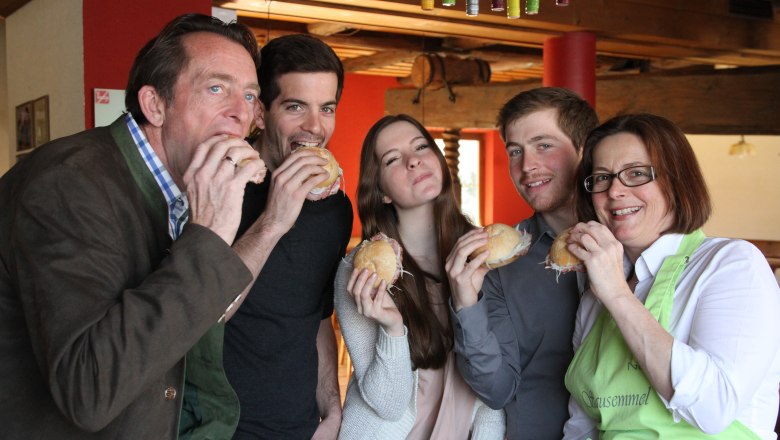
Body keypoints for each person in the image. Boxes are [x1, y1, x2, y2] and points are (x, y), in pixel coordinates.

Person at [0, 13, 272, 439]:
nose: (242, 113)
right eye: (216, 88)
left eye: (251, 95)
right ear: (154, 106)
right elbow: (88, 392)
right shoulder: (68, 185)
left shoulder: (187, 192)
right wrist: (210, 236)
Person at [561, 113, 780, 439]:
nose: (615, 191)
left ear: (678, 180)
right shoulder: (596, 294)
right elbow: (582, 422)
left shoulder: (731, 264)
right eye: (602, 178)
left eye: (636, 173)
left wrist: (618, 295)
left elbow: (714, 407)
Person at [335, 114, 506, 439]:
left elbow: (492, 397)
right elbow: (387, 405)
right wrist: (392, 328)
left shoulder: (483, 254)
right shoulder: (362, 270)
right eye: (393, 159)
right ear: (381, 191)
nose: (413, 162)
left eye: (421, 147)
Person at [444, 87, 599, 439]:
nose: (526, 166)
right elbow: (497, 390)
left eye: (544, 145)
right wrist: (466, 303)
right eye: (515, 150)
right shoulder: (501, 262)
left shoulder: (632, 244)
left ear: (584, 149)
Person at [222, 34, 353, 439]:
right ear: (260, 113)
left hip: (299, 427)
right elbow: (207, 312)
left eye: (326, 109)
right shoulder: (220, 186)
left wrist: (331, 408)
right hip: (217, 427)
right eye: (296, 107)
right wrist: (274, 220)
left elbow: (314, 317)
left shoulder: (335, 209)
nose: (315, 127)